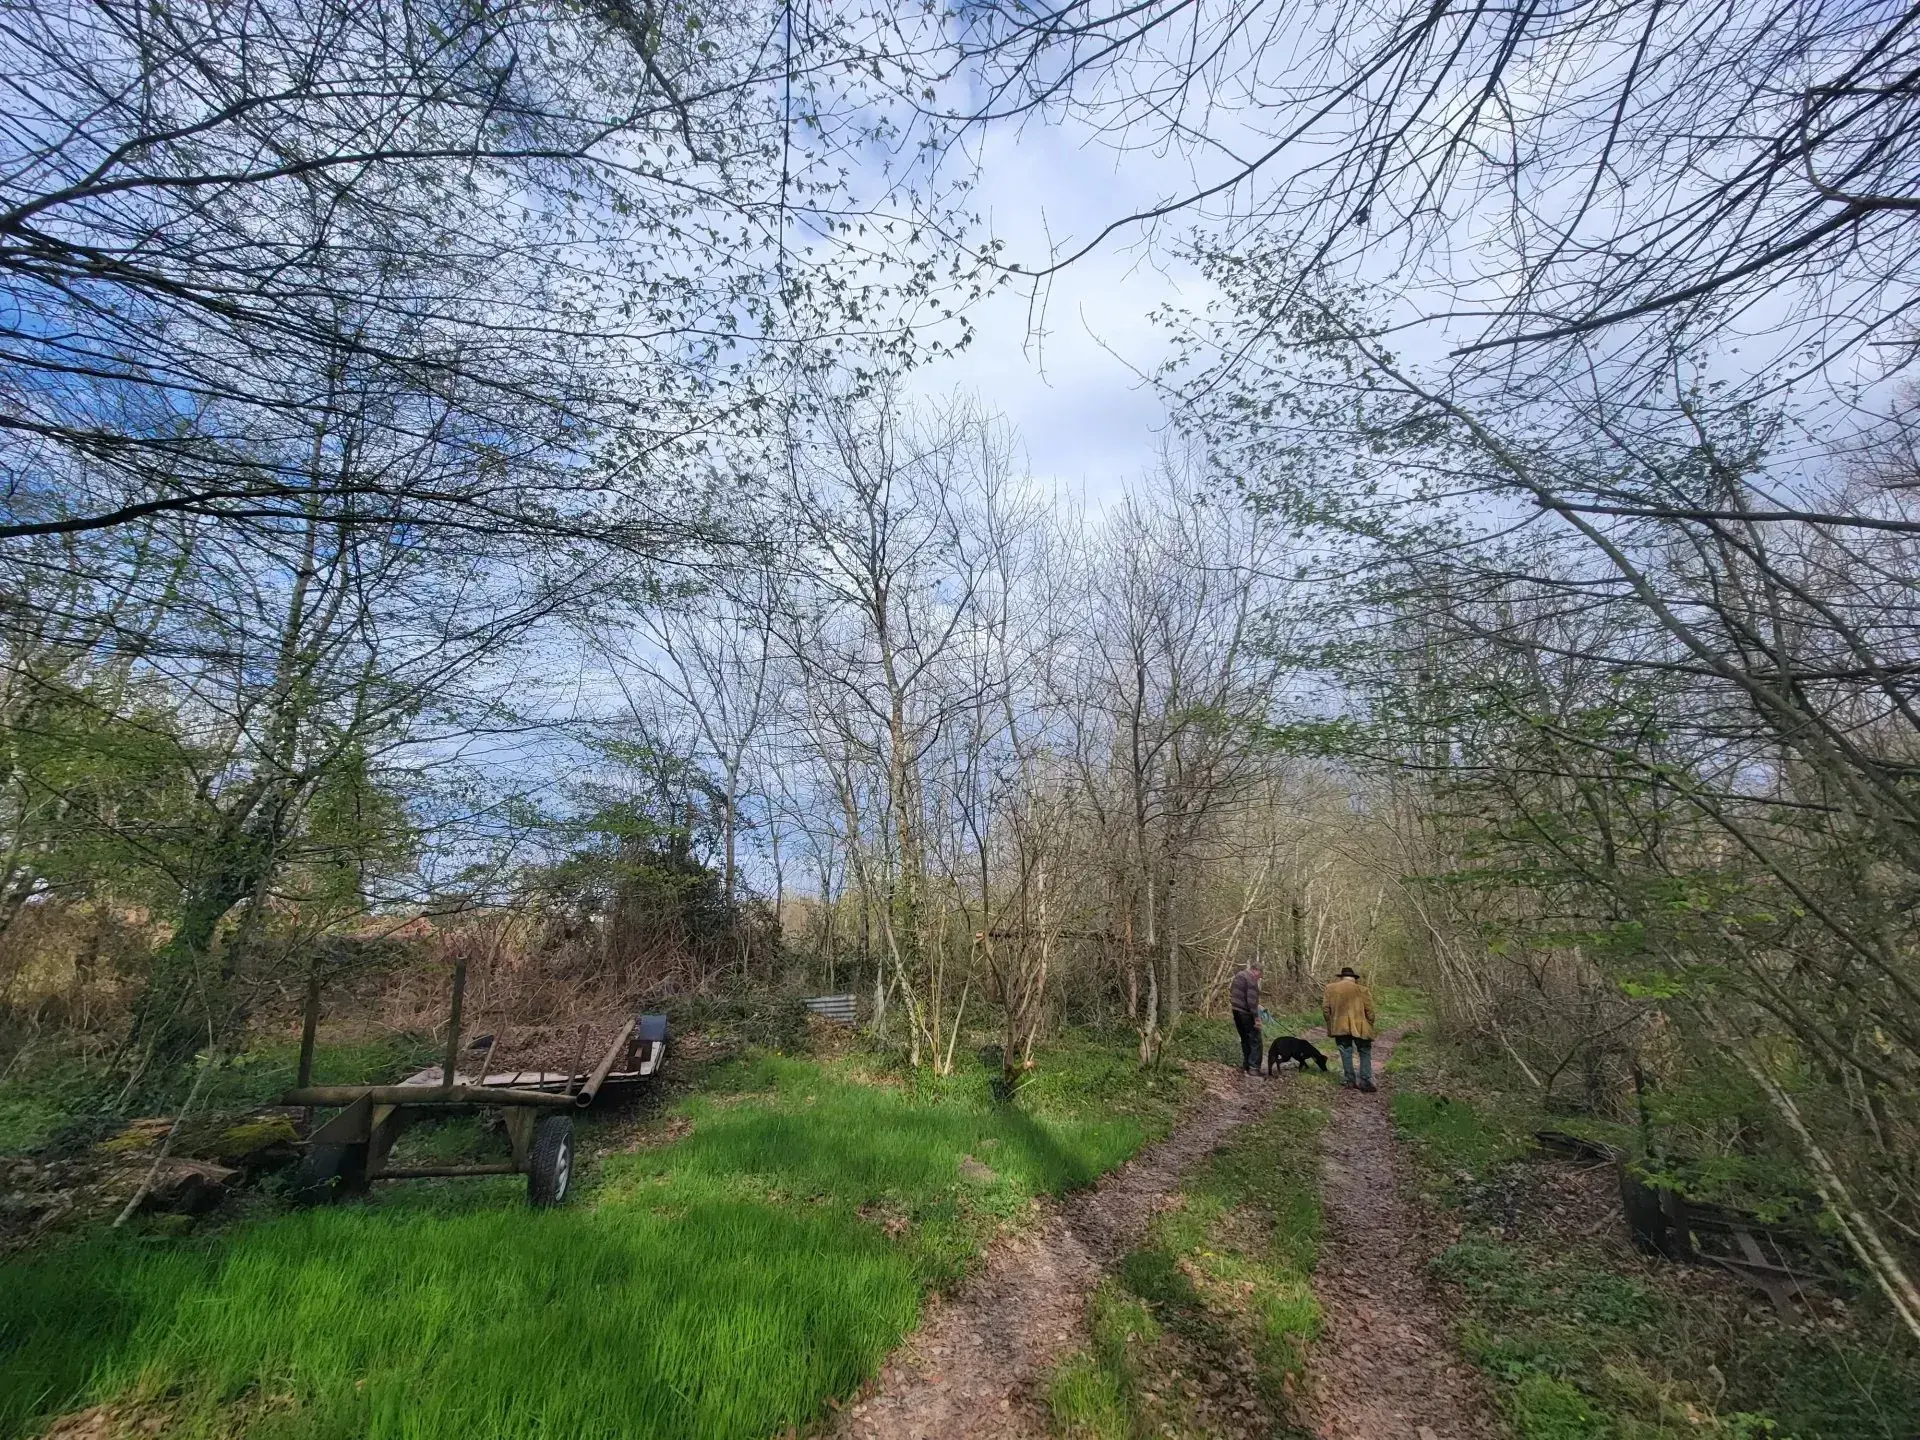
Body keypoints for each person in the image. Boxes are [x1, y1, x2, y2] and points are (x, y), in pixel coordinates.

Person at [1322, 966, 1377, 1092]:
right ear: (1354, 978)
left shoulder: (1330, 988)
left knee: (1345, 1051)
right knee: (1364, 1051)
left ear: (1341, 977)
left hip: (1340, 1025)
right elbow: (1370, 1011)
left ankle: (1349, 1080)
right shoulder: (1362, 989)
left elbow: (1326, 1010)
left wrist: (1331, 1024)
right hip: (1361, 1025)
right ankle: (1366, 1080)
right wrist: (1370, 1024)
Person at [1229, 963, 1263, 1074]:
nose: (1259, 978)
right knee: (1255, 1039)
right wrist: (1257, 1018)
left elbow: (1236, 994)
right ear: (1256, 971)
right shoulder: (1251, 980)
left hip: (1236, 1010)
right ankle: (1254, 1068)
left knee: (1245, 1038)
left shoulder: (1238, 976)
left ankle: (1246, 1065)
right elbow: (1251, 1001)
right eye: (1260, 975)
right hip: (1246, 1013)